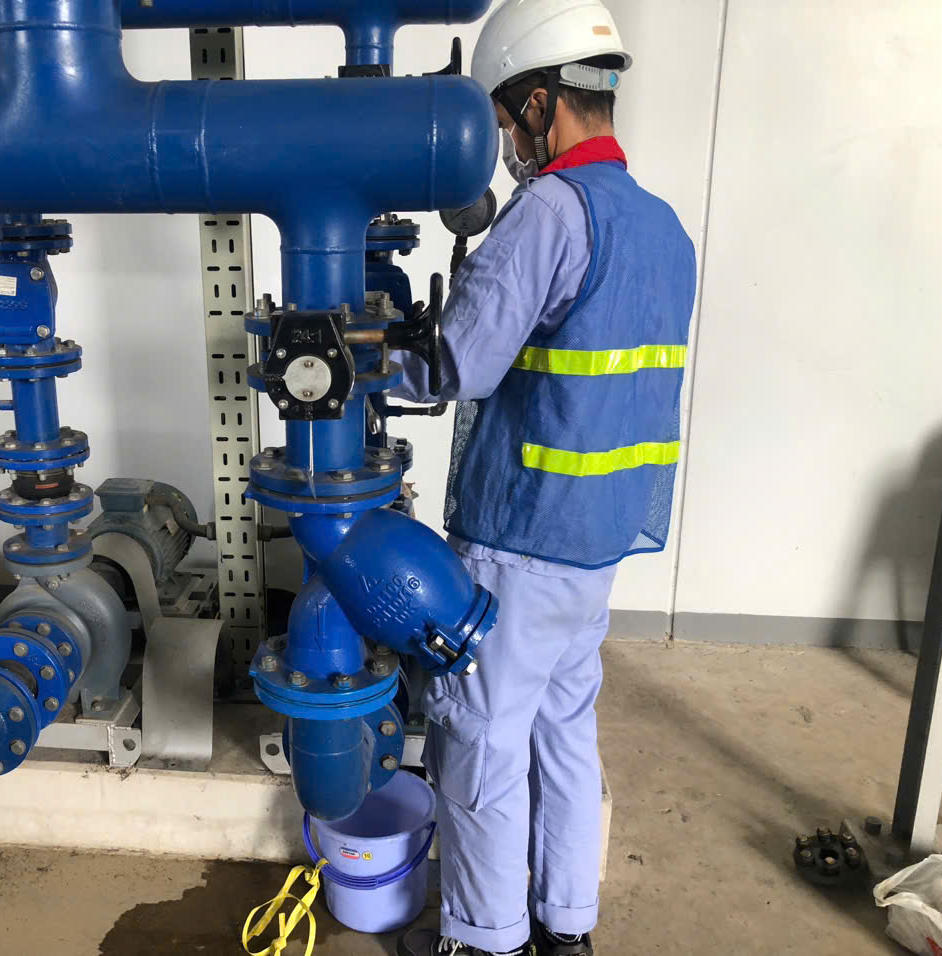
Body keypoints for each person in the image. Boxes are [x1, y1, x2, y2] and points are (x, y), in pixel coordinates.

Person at [393, 2, 697, 954]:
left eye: (504, 119)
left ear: (537, 104)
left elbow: (458, 363)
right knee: (564, 730)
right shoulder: (663, 227)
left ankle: (484, 940)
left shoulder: (551, 214)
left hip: (520, 542)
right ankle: (567, 928)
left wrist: (363, 355)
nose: (507, 146)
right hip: (599, 541)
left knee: (481, 738)